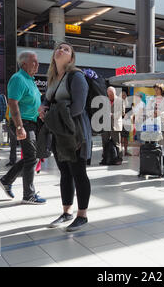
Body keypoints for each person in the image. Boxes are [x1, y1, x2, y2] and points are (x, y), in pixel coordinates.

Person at [38, 42, 91, 231]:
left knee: (78, 172)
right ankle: (66, 212)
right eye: (58, 48)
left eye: (66, 49)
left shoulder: (76, 76)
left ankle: (82, 215)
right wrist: (43, 107)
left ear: (71, 57)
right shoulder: (53, 78)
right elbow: (48, 100)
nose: (61, 50)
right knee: (65, 173)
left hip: (74, 132)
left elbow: (78, 107)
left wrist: (53, 113)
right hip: (58, 132)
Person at [0, 50, 46, 204]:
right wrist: (19, 127)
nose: (37, 65)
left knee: (32, 156)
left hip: (31, 122)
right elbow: (13, 103)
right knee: (31, 157)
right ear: (24, 64)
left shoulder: (30, 80)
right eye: (34, 62)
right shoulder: (18, 78)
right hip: (22, 122)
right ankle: (28, 195)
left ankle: (6, 180)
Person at [100, 86, 124, 165]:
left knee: (117, 143)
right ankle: (105, 158)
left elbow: (122, 112)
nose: (110, 96)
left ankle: (119, 159)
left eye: (112, 94)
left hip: (115, 124)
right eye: (109, 94)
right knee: (104, 142)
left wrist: (112, 115)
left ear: (115, 93)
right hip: (106, 124)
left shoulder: (120, 101)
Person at [121, 90, 131, 156]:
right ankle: (120, 151)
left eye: (124, 95)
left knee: (126, 137)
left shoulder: (128, 104)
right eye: (122, 95)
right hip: (120, 122)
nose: (123, 96)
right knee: (120, 137)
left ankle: (126, 151)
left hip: (127, 122)